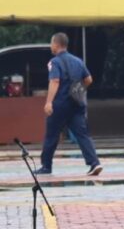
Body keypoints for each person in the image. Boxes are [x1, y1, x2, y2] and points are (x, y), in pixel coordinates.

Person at [34, 33, 102, 176]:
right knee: (82, 135)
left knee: (51, 135)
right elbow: (89, 79)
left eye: (51, 43)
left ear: (57, 44)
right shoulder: (78, 61)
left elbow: (55, 81)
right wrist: (78, 90)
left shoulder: (54, 62)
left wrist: (49, 102)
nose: (51, 46)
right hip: (77, 104)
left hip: (59, 105)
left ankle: (46, 166)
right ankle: (94, 163)